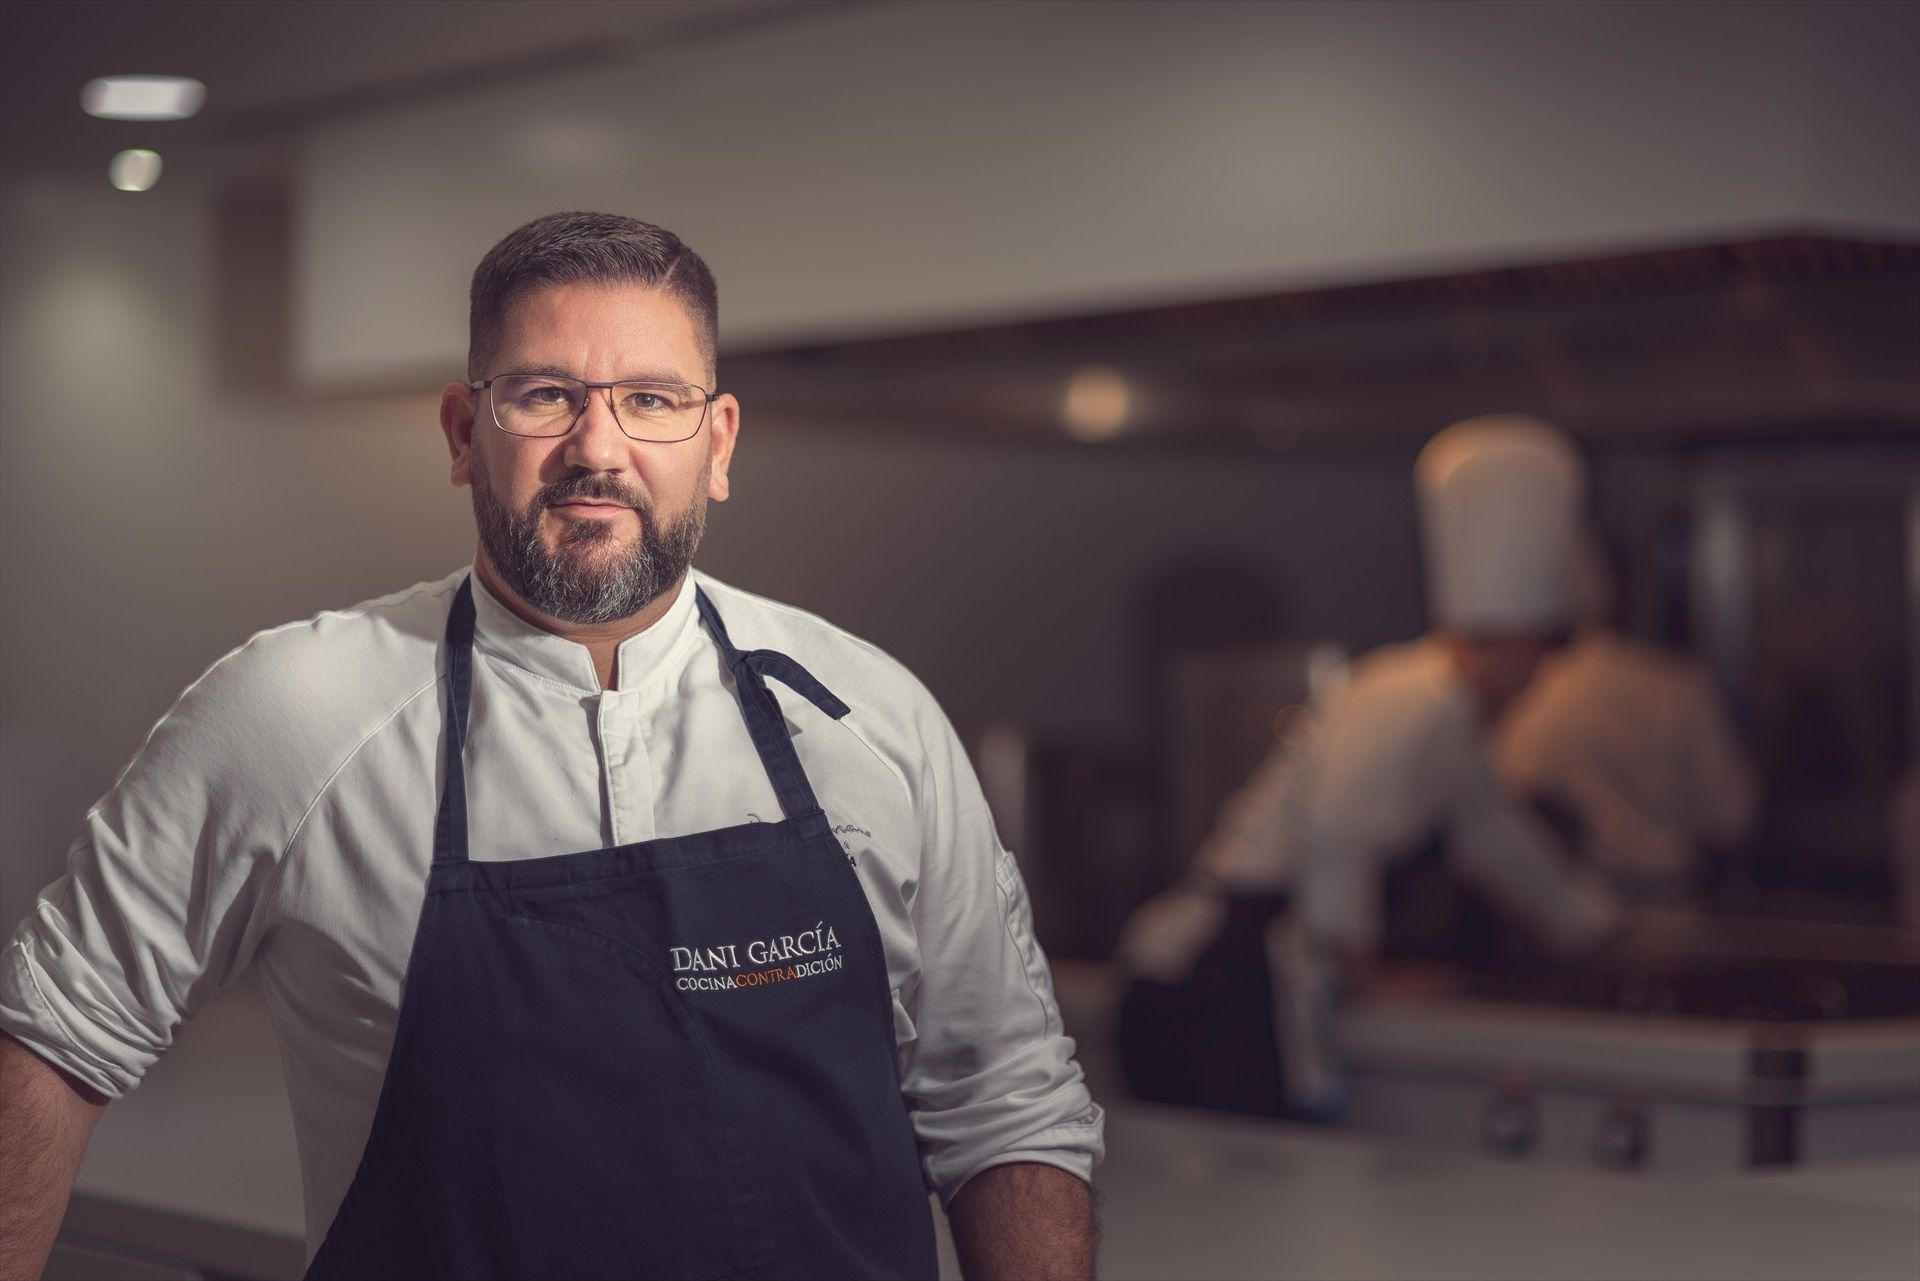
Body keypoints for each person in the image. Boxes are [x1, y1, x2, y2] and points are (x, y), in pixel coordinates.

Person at [0, 212, 1101, 1281]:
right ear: (462, 434)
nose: (597, 447)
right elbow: (51, 1038)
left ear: (716, 444)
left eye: (651, 399)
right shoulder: (296, 711)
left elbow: (1005, 1098)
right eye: (543, 395)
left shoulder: (872, 713)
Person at [1116, 415, 1620, 1119]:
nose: (1537, 682)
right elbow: (1336, 832)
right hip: (1219, 978)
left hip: (1265, 973)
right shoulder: (1405, 699)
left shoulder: (1453, 718)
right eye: (1537, 660)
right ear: (1509, 641)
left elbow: (1493, 834)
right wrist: (1370, 975)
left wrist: (1594, 925)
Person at [1494, 540, 1757, 906]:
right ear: (1618, 594)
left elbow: (1507, 814)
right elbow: (1732, 816)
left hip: (1573, 914)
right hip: (1677, 913)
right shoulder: (1677, 686)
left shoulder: (1529, 698)